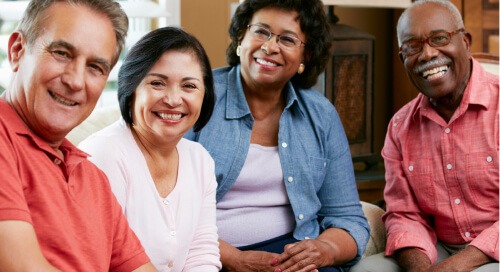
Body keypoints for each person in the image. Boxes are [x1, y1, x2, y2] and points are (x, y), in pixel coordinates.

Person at [184, 0, 370, 271]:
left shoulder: (321, 115)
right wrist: (235, 259)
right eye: (261, 32)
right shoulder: (197, 97)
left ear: (305, 57)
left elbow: (348, 218)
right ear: (240, 38)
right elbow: (164, 210)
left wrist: (322, 250)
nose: (270, 47)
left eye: (287, 39)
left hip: (293, 257)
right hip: (210, 256)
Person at [0, 0, 157, 271]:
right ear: (17, 50)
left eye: (95, 67)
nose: (75, 81)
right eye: (61, 53)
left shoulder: (93, 178)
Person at [350, 0, 499, 271]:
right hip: (438, 250)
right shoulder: (399, 127)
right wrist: (421, 270)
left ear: (465, 42)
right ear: (402, 59)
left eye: (439, 38)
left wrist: (454, 267)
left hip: (494, 254)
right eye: (412, 47)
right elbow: (405, 215)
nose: (427, 54)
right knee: (367, 269)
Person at [78, 26, 221, 272]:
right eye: (157, 83)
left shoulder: (200, 160)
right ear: (131, 88)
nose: (174, 100)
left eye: (189, 86)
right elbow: (103, 259)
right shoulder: (103, 155)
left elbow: (202, 254)